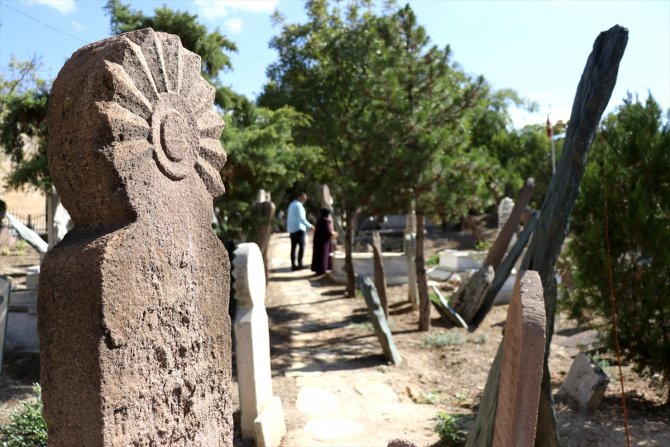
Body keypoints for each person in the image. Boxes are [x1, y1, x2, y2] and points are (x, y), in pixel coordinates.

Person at [286, 192, 314, 271]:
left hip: (292, 229)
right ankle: (300, 264)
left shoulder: (291, 205)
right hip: (299, 229)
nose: (304, 200)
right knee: (301, 247)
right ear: (299, 197)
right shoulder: (299, 206)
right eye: (303, 198)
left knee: (293, 248)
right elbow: (302, 218)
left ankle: (293, 265)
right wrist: (310, 226)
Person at [311, 208, 337, 275]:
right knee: (323, 256)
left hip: (318, 241)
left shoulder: (319, 219)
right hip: (324, 242)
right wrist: (333, 234)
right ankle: (322, 270)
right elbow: (328, 231)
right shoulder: (326, 221)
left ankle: (318, 270)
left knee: (318, 256)